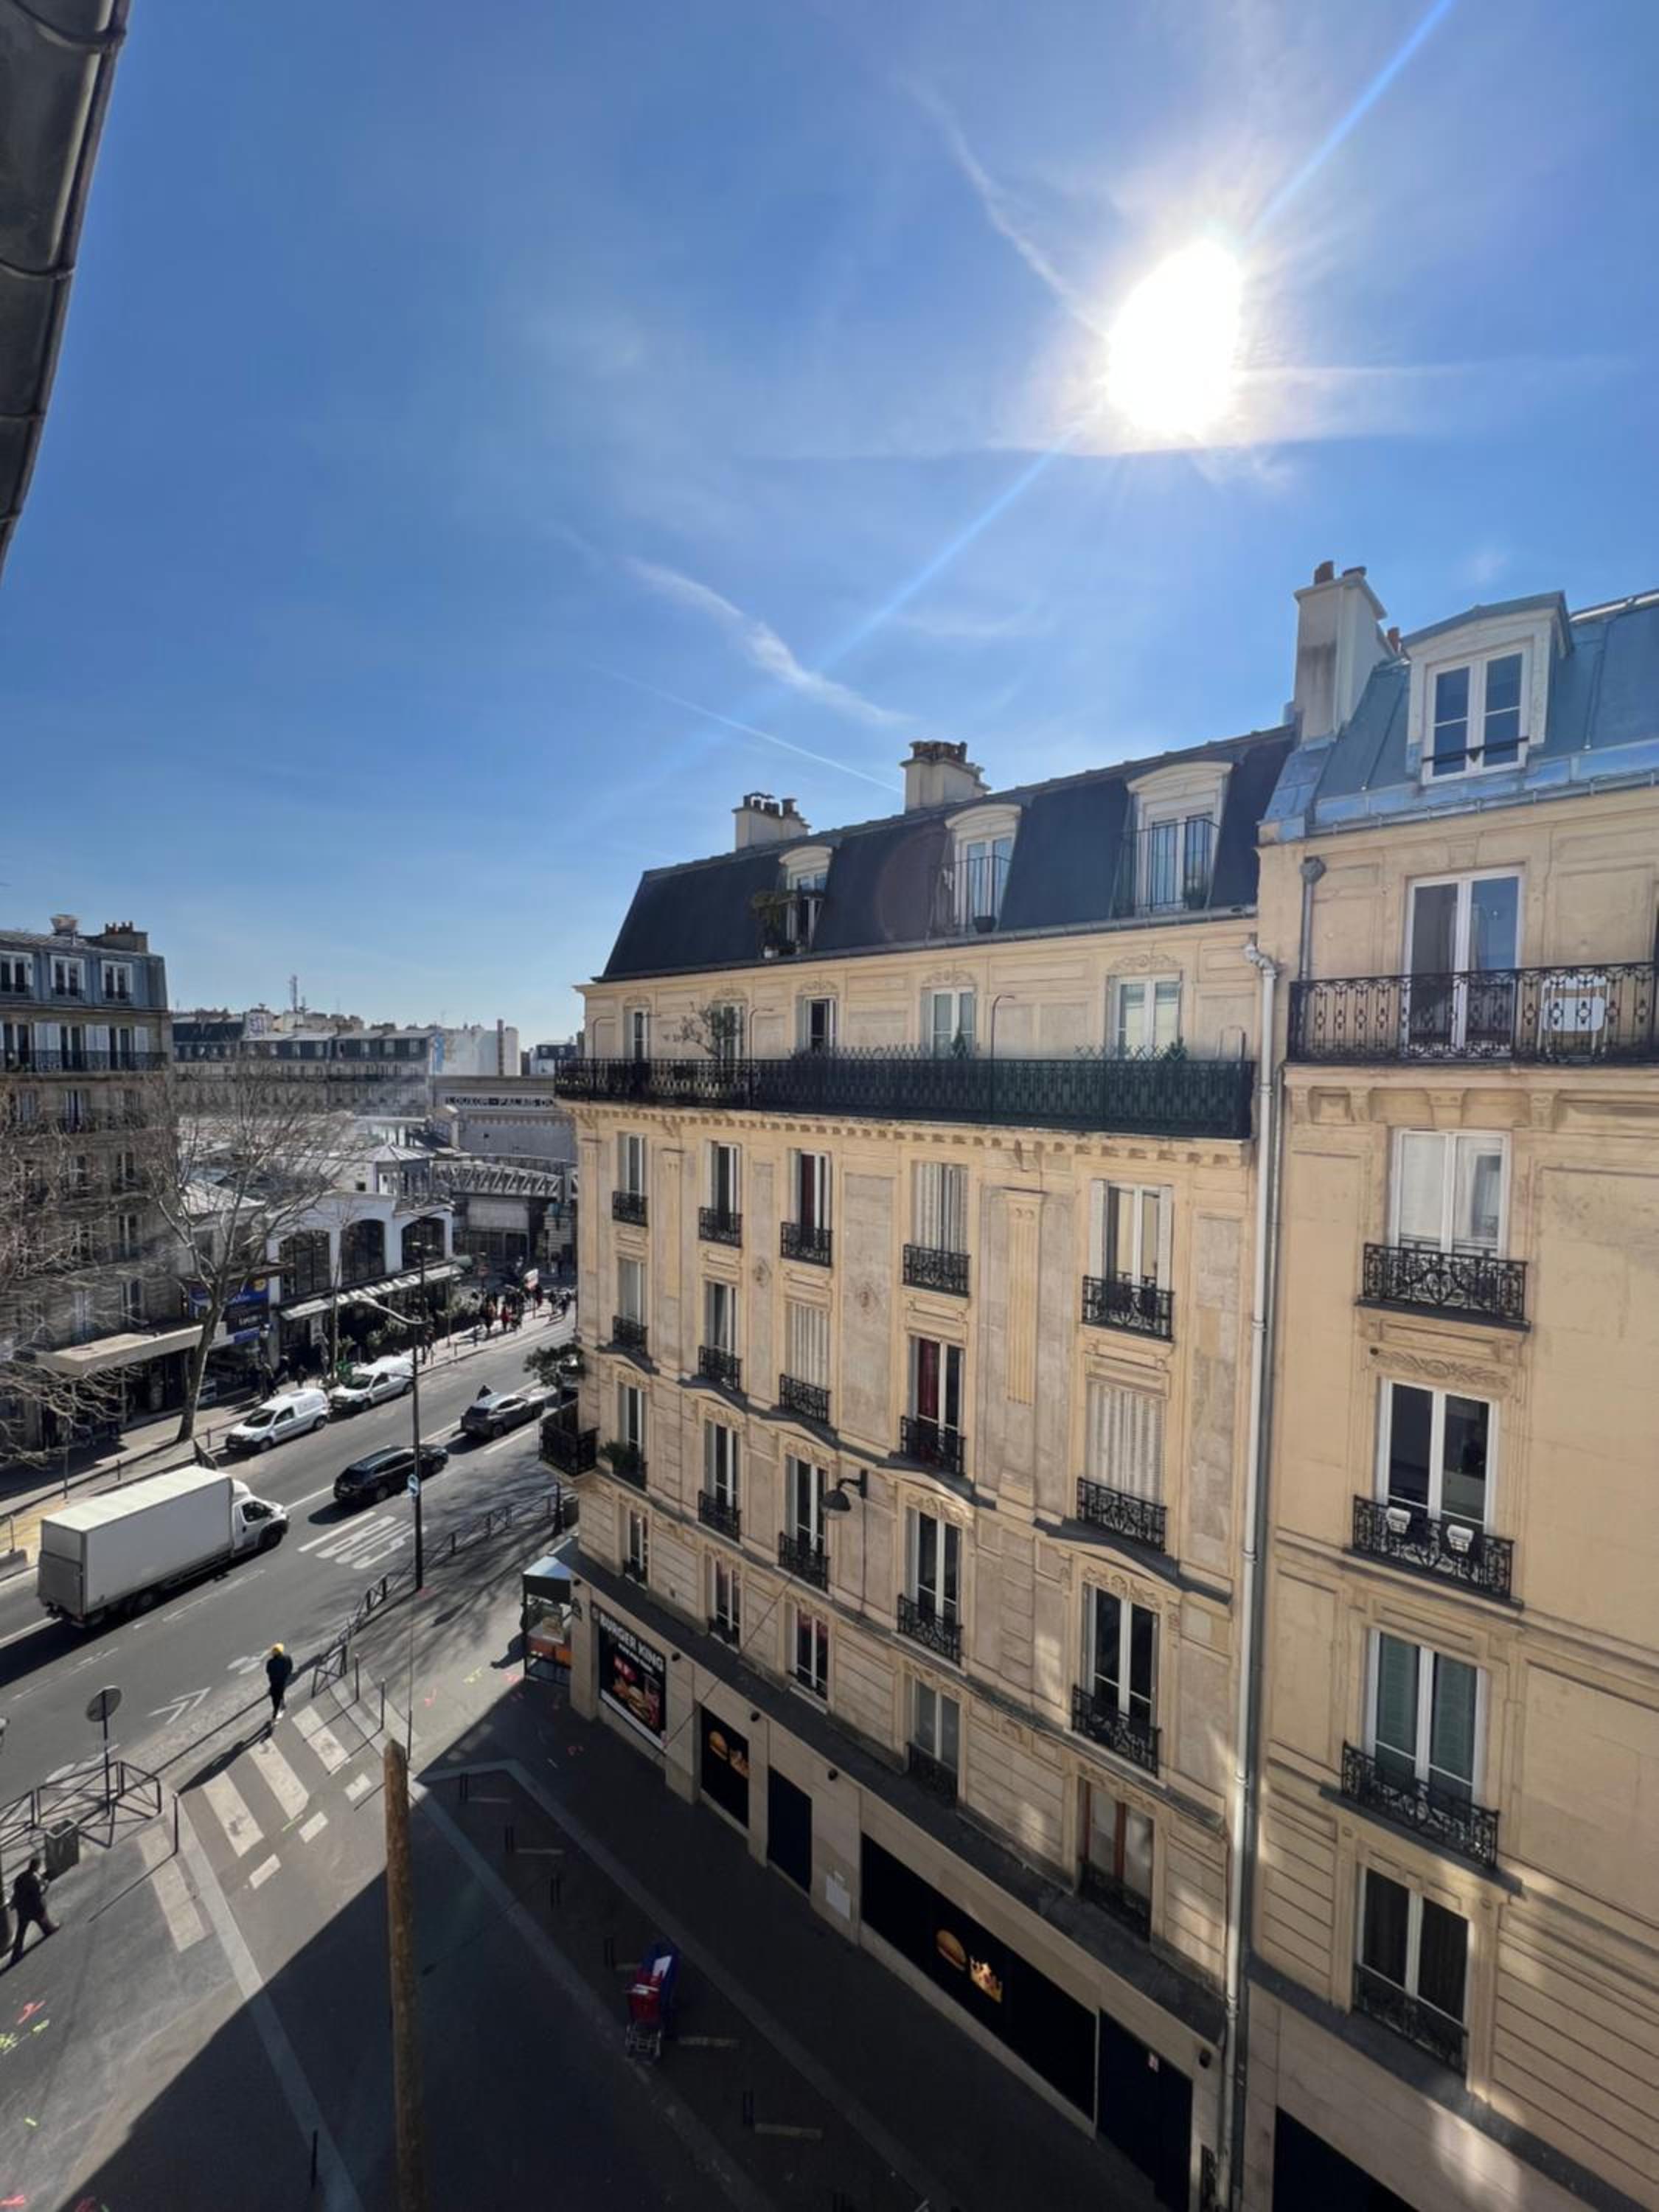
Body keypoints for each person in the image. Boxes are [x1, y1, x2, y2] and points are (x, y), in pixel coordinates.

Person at [10, 1857, 56, 1964]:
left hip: (22, 1908)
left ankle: (16, 1954)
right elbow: (38, 1894)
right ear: (36, 1866)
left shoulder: (20, 1877)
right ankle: (49, 1929)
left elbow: (17, 1893)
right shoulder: (33, 1879)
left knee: (21, 1931)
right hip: (33, 1907)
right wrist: (46, 1886)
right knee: (42, 1917)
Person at [265, 1644, 294, 1728]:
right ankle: (282, 1704)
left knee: (275, 1702)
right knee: (281, 1693)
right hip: (283, 1681)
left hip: (274, 1684)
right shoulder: (287, 1658)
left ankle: (274, 1718)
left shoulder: (270, 1662)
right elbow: (290, 1668)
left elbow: (268, 1671)